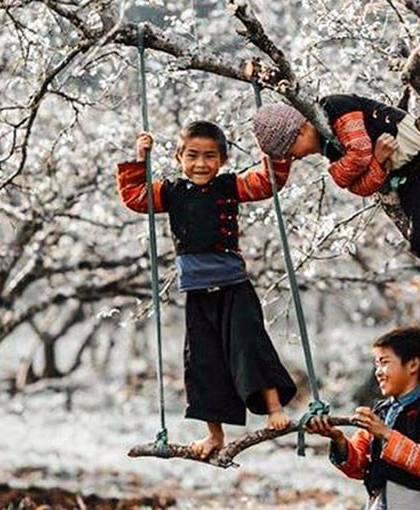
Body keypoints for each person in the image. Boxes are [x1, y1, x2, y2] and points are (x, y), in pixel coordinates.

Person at [116, 121, 297, 458]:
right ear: (179, 157)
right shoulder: (171, 192)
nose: (201, 164)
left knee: (249, 346)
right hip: (197, 292)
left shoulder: (229, 186)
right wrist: (140, 159)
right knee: (203, 362)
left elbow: (266, 182)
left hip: (234, 287)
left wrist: (271, 149)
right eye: (192, 156)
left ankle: (274, 408)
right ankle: (214, 435)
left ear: (223, 160)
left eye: (210, 156)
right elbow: (135, 197)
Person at [252, 95, 420, 319]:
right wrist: (372, 163)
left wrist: (355, 168)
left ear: (298, 132)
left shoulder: (334, 107)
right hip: (408, 176)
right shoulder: (329, 144)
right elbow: (361, 187)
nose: (294, 158)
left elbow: (359, 154)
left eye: (289, 151)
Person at [306, 326, 420, 510]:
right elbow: (359, 466)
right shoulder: (380, 412)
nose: (378, 372)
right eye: (377, 364)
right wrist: (338, 439)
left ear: (412, 365)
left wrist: (386, 434)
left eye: (384, 362)